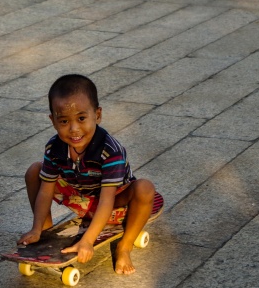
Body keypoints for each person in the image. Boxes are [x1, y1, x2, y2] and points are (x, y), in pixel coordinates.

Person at [17, 74, 156, 275]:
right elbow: (46, 190)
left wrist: (87, 241)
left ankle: (125, 247)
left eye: (81, 118)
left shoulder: (110, 150)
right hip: (81, 195)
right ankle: (46, 233)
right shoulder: (54, 147)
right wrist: (36, 229)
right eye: (63, 121)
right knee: (34, 171)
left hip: (115, 201)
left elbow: (107, 200)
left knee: (145, 188)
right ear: (53, 121)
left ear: (97, 115)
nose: (74, 129)